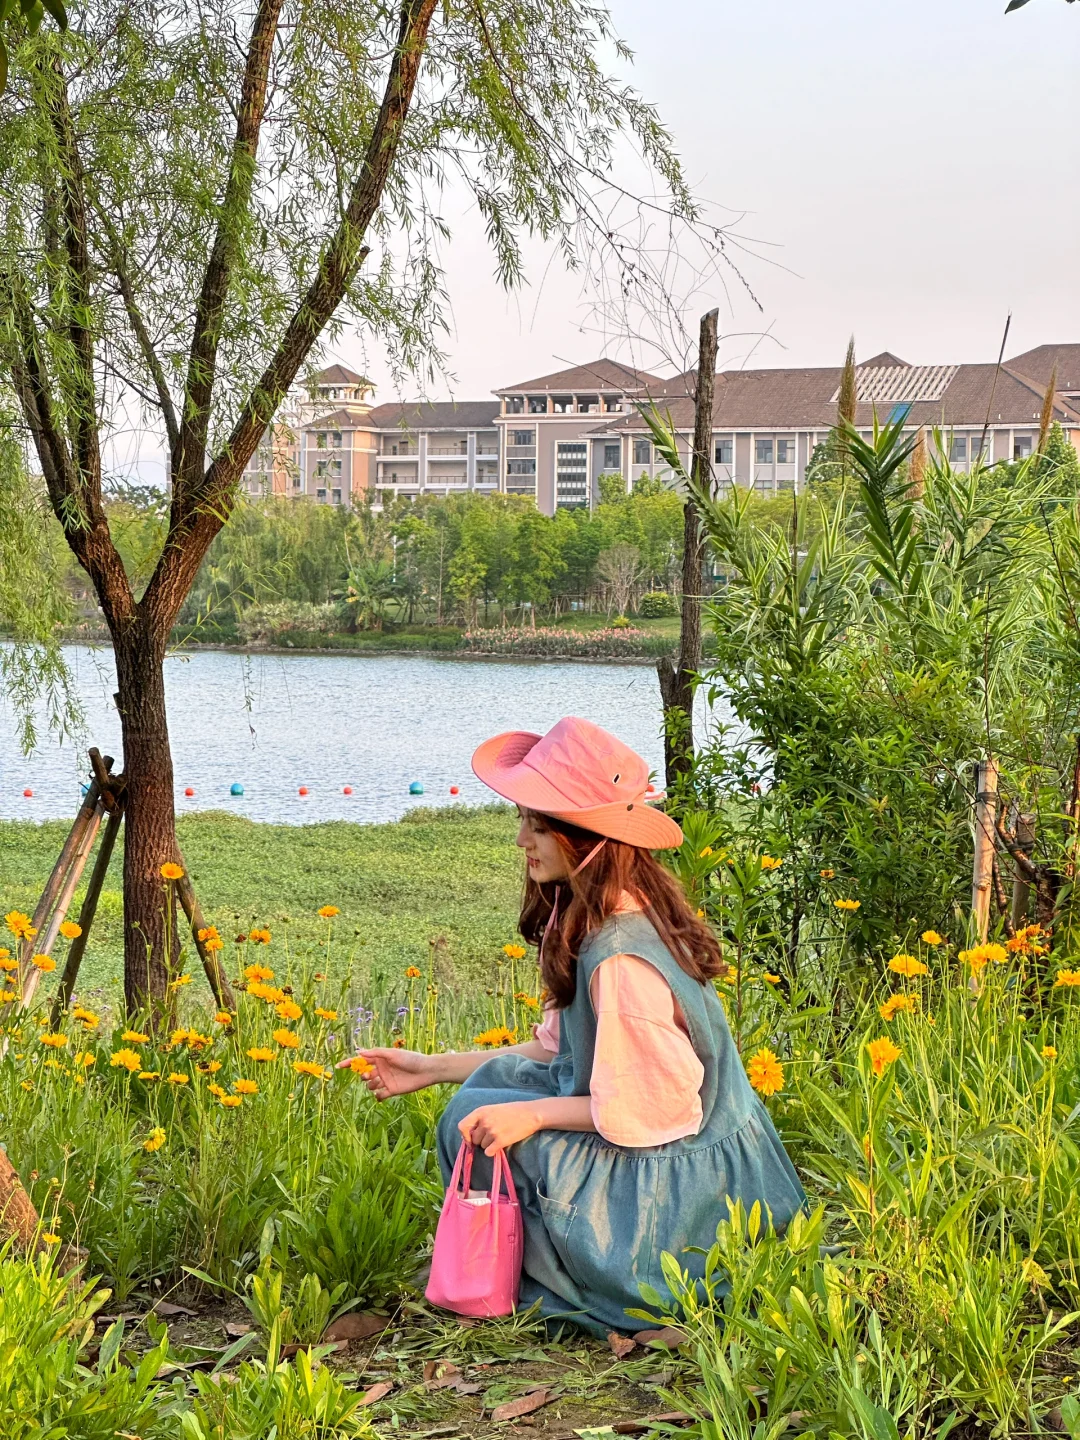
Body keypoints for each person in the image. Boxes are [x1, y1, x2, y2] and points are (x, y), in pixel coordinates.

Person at [340, 717, 805, 1336]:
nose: (522, 840)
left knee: (478, 1123)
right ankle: (534, 1258)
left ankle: (597, 1284)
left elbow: (656, 1109)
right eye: (524, 820)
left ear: (583, 836)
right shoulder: (590, 916)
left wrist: (530, 1118)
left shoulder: (620, 960)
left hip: (686, 1192)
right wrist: (429, 1068)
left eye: (538, 824)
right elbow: (555, 1049)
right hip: (674, 1152)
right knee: (492, 1084)